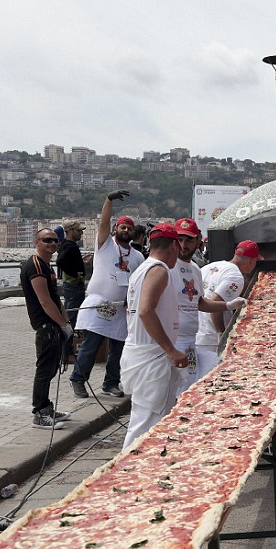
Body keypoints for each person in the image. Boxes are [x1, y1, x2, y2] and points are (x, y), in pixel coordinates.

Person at [70, 190, 145, 399]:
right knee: (91, 345)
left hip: (122, 308)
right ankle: (78, 379)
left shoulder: (138, 256)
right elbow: (102, 223)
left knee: (118, 349)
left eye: (129, 228)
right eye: (122, 226)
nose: (126, 230)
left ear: (133, 233)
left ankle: (111, 383)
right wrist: (109, 200)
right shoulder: (105, 245)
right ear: (115, 229)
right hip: (100, 303)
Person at [120, 224, 185, 448]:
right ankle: (124, 475)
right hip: (151, 357)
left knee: (154, 421)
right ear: (175, 246)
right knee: (145, 423)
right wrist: (170, 349)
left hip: (142, 353)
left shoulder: (141, 269)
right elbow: (146, 311)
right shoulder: (158, 269)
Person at [170, 218, 247, 393]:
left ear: (198, 240)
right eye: (180, 239)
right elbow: (147, 310)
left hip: (192, 340)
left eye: (189, 239)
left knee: (192, 391)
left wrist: (227, 305)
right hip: (173, 343)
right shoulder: (166, 268)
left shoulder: (196, 269)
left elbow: (200, 302)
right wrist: (168, 348)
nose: (183, 245)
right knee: (170, 397)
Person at [20, 228, 74, 430]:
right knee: (44, 370)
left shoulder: (46, 265)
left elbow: (55, 298)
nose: (52, 243)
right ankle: (40, 412)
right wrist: (60, 324)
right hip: (45, 325)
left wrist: (66, 322)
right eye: (47, 240)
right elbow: (44, 301)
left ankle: (47, 408)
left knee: (51, 369)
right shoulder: (35, 266)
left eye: (55, 240)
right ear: (37, 242)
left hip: (54, 324)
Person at [195, 240, 262, 377]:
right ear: (252, 260)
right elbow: (215, 303)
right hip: (211, 339)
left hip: (196, 333)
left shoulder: (211, 266)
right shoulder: (236, 276)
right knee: (213, 382)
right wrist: (221, 333)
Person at [56, 219, 89, 357]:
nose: (81, 233)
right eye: (78, 230)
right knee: (72, 318)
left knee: (68, 315)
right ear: (69, 231)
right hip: (74, 286)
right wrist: (76, 275)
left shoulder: (66, 245)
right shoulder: (71, 246)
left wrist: (81, 262)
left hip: (70, 286)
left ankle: (66, 348)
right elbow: (60, 261)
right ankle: (67, 350)